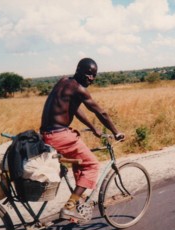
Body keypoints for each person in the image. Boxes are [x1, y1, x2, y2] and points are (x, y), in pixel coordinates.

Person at [40, 58, 125, 221]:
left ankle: (77, 204)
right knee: (92, 165)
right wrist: (116, 132)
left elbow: (75, 107)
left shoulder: (64, 81)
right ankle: (69, 207)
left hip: (47, 133)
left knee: (80, 163)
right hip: (59, 135)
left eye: (94, 75)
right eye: (88, 74)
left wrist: (94, 129)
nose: (91, 78)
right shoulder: (80, 89)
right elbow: (101, 113)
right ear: (78, 70)